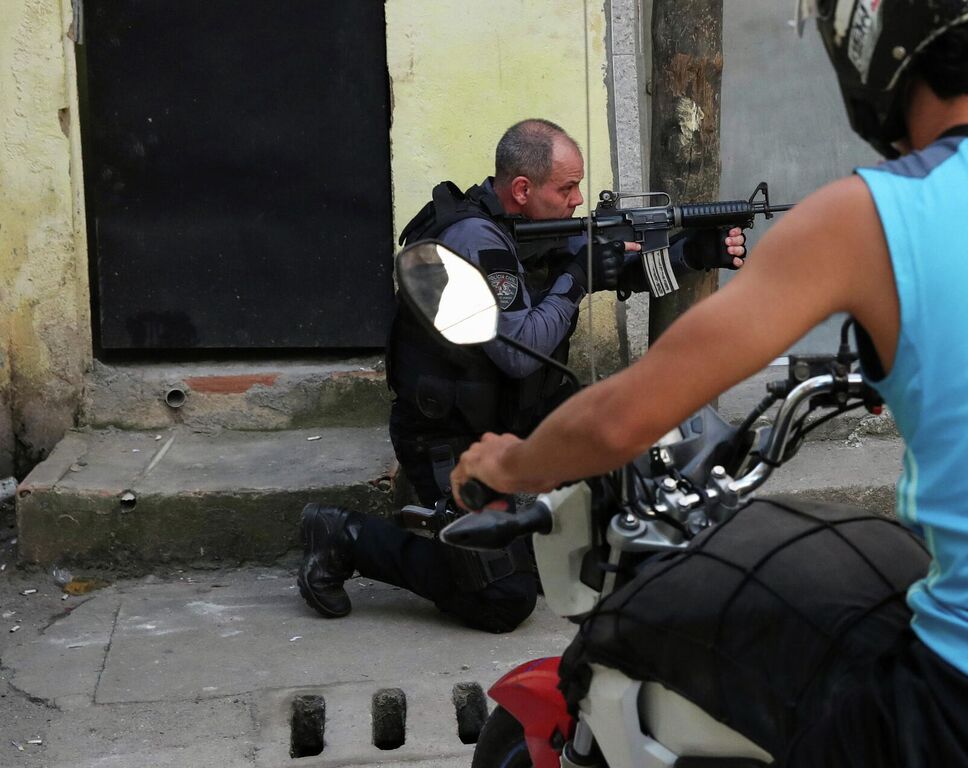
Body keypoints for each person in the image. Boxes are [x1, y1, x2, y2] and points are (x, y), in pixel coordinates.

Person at [451, 1, 968, 763]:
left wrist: (507, 464)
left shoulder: (869, 215)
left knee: (683, 656)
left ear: (869, 46)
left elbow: (616, 422)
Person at [296, 118, 747, 633]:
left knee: (624, 437)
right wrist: (578, 282)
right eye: (567, 187)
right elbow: (522, 351)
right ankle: (345, 536)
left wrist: (690, 254)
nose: (578, 199)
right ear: (522, 189)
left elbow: (613, 265)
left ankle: (533, 546)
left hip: (514, 414)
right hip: (450, 437)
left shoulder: (531, 226)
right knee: (504, 599)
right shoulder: (476, 239)